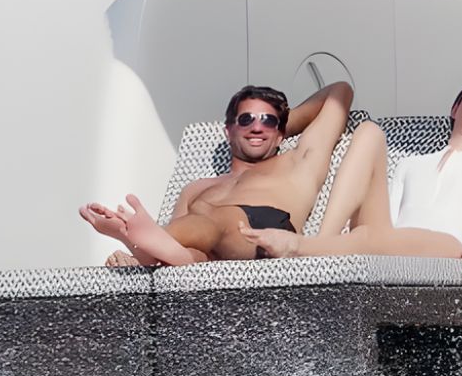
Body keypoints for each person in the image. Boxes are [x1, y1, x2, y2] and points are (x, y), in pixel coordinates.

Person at [240, 80, 462, 280]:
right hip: (392, 244)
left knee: (370, 238)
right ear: (454, 109)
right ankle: (322, 245)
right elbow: (386, 225)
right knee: (369, 132)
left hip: (448, 249)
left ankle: (300, 247)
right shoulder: (411, 164)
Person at [79, 81, 355, 266]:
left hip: (269, 233)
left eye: (267, 121)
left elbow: (340, 92)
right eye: (246, 120)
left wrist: (282, 123)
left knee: (215, 216)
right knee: (192, 252)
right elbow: (178, 247)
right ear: (228, 131)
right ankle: (141, 249)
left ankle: (138, 238)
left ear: (281, 131)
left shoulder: (298, 162)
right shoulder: (196, 189)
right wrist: (147, 254)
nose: (257, 128)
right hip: (211, 256)